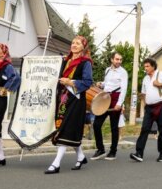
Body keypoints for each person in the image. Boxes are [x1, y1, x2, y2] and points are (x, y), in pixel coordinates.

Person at [44, 36, 94, 174]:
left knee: (65, 128)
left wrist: (71, 82)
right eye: (73, 43)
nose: (74, 45)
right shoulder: (65, 60)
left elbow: (88, 82)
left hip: (76, 100)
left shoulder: (86, 63)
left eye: (78, 43)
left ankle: (56, 163)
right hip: (63, 98)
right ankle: (81, 156)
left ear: (83, 47)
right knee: (67, 128)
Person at [131, 58, 162, 163]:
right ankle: (139, 153)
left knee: (161, 130)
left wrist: (160, 84)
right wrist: (145, 104)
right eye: (144, 66)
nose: (145, 68)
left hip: (161, 106)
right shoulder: (145, 78)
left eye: (147, 66)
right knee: (144, 129)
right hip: (149, 108)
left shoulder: (161, 74)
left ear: (153, 66)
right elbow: (144, 93)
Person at [91, 51, 128, 161]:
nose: (119, 61)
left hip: (116, 98)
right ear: (112, 59)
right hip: (105, 98)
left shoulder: (123, 72)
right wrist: (101, 84)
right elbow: (108, 84)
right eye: (117, 59)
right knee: (97, 124)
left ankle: (113, 151)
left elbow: (124, 89)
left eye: (120, 59)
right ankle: (100, 149)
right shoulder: (107, 70)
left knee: (114, 127)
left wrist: (119, 104)